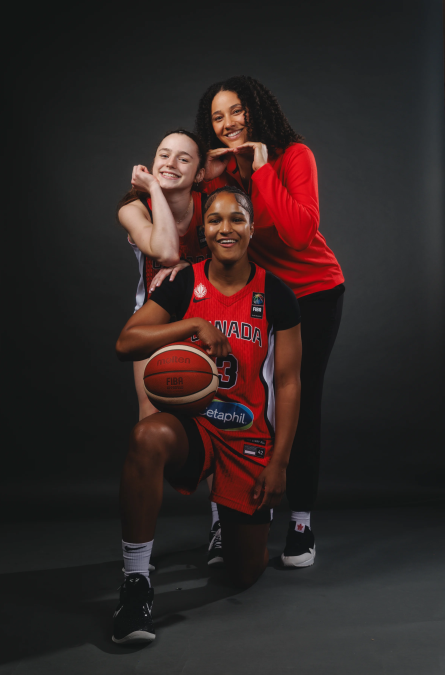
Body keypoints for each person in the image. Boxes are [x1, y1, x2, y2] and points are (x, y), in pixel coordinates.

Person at [112, 187, 302, 645]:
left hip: (246, 435)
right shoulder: (183, 282)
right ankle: (135, 584)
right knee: (145, 437)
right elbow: (126, 343)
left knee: (242, 575)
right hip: (193, 426)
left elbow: (290, 383)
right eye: (215, 221)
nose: (225, 229)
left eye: (236, 219)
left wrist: (278, 463)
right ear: (204, 232)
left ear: (251, 228)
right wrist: (193, 325)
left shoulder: (275, 293)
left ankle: (231, 518)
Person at [195, 76, 344, 567]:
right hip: (257, 297)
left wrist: (259, 170)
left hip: (315, 291)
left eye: (236, 111)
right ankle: (226, 521)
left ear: (256, 111)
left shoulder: (293, 155)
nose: (228, 123)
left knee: (297, 400)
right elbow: (200, 235)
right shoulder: (218, 173)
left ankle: (300, 524)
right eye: (218, 117)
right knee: (233, 398)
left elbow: (301, 232)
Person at [119, 129, 223, 567]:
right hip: (157, 327)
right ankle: (142, 551)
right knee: (151, 433)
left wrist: (190, 265)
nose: (171, 163)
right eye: (164, 154)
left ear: (199, 173)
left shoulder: (213, 205)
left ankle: (223, 524)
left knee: (223, 421)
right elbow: (163, 250)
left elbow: (237, 249)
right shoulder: (133, 207)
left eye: (184, 159)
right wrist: (154, 192)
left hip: (212, 321)